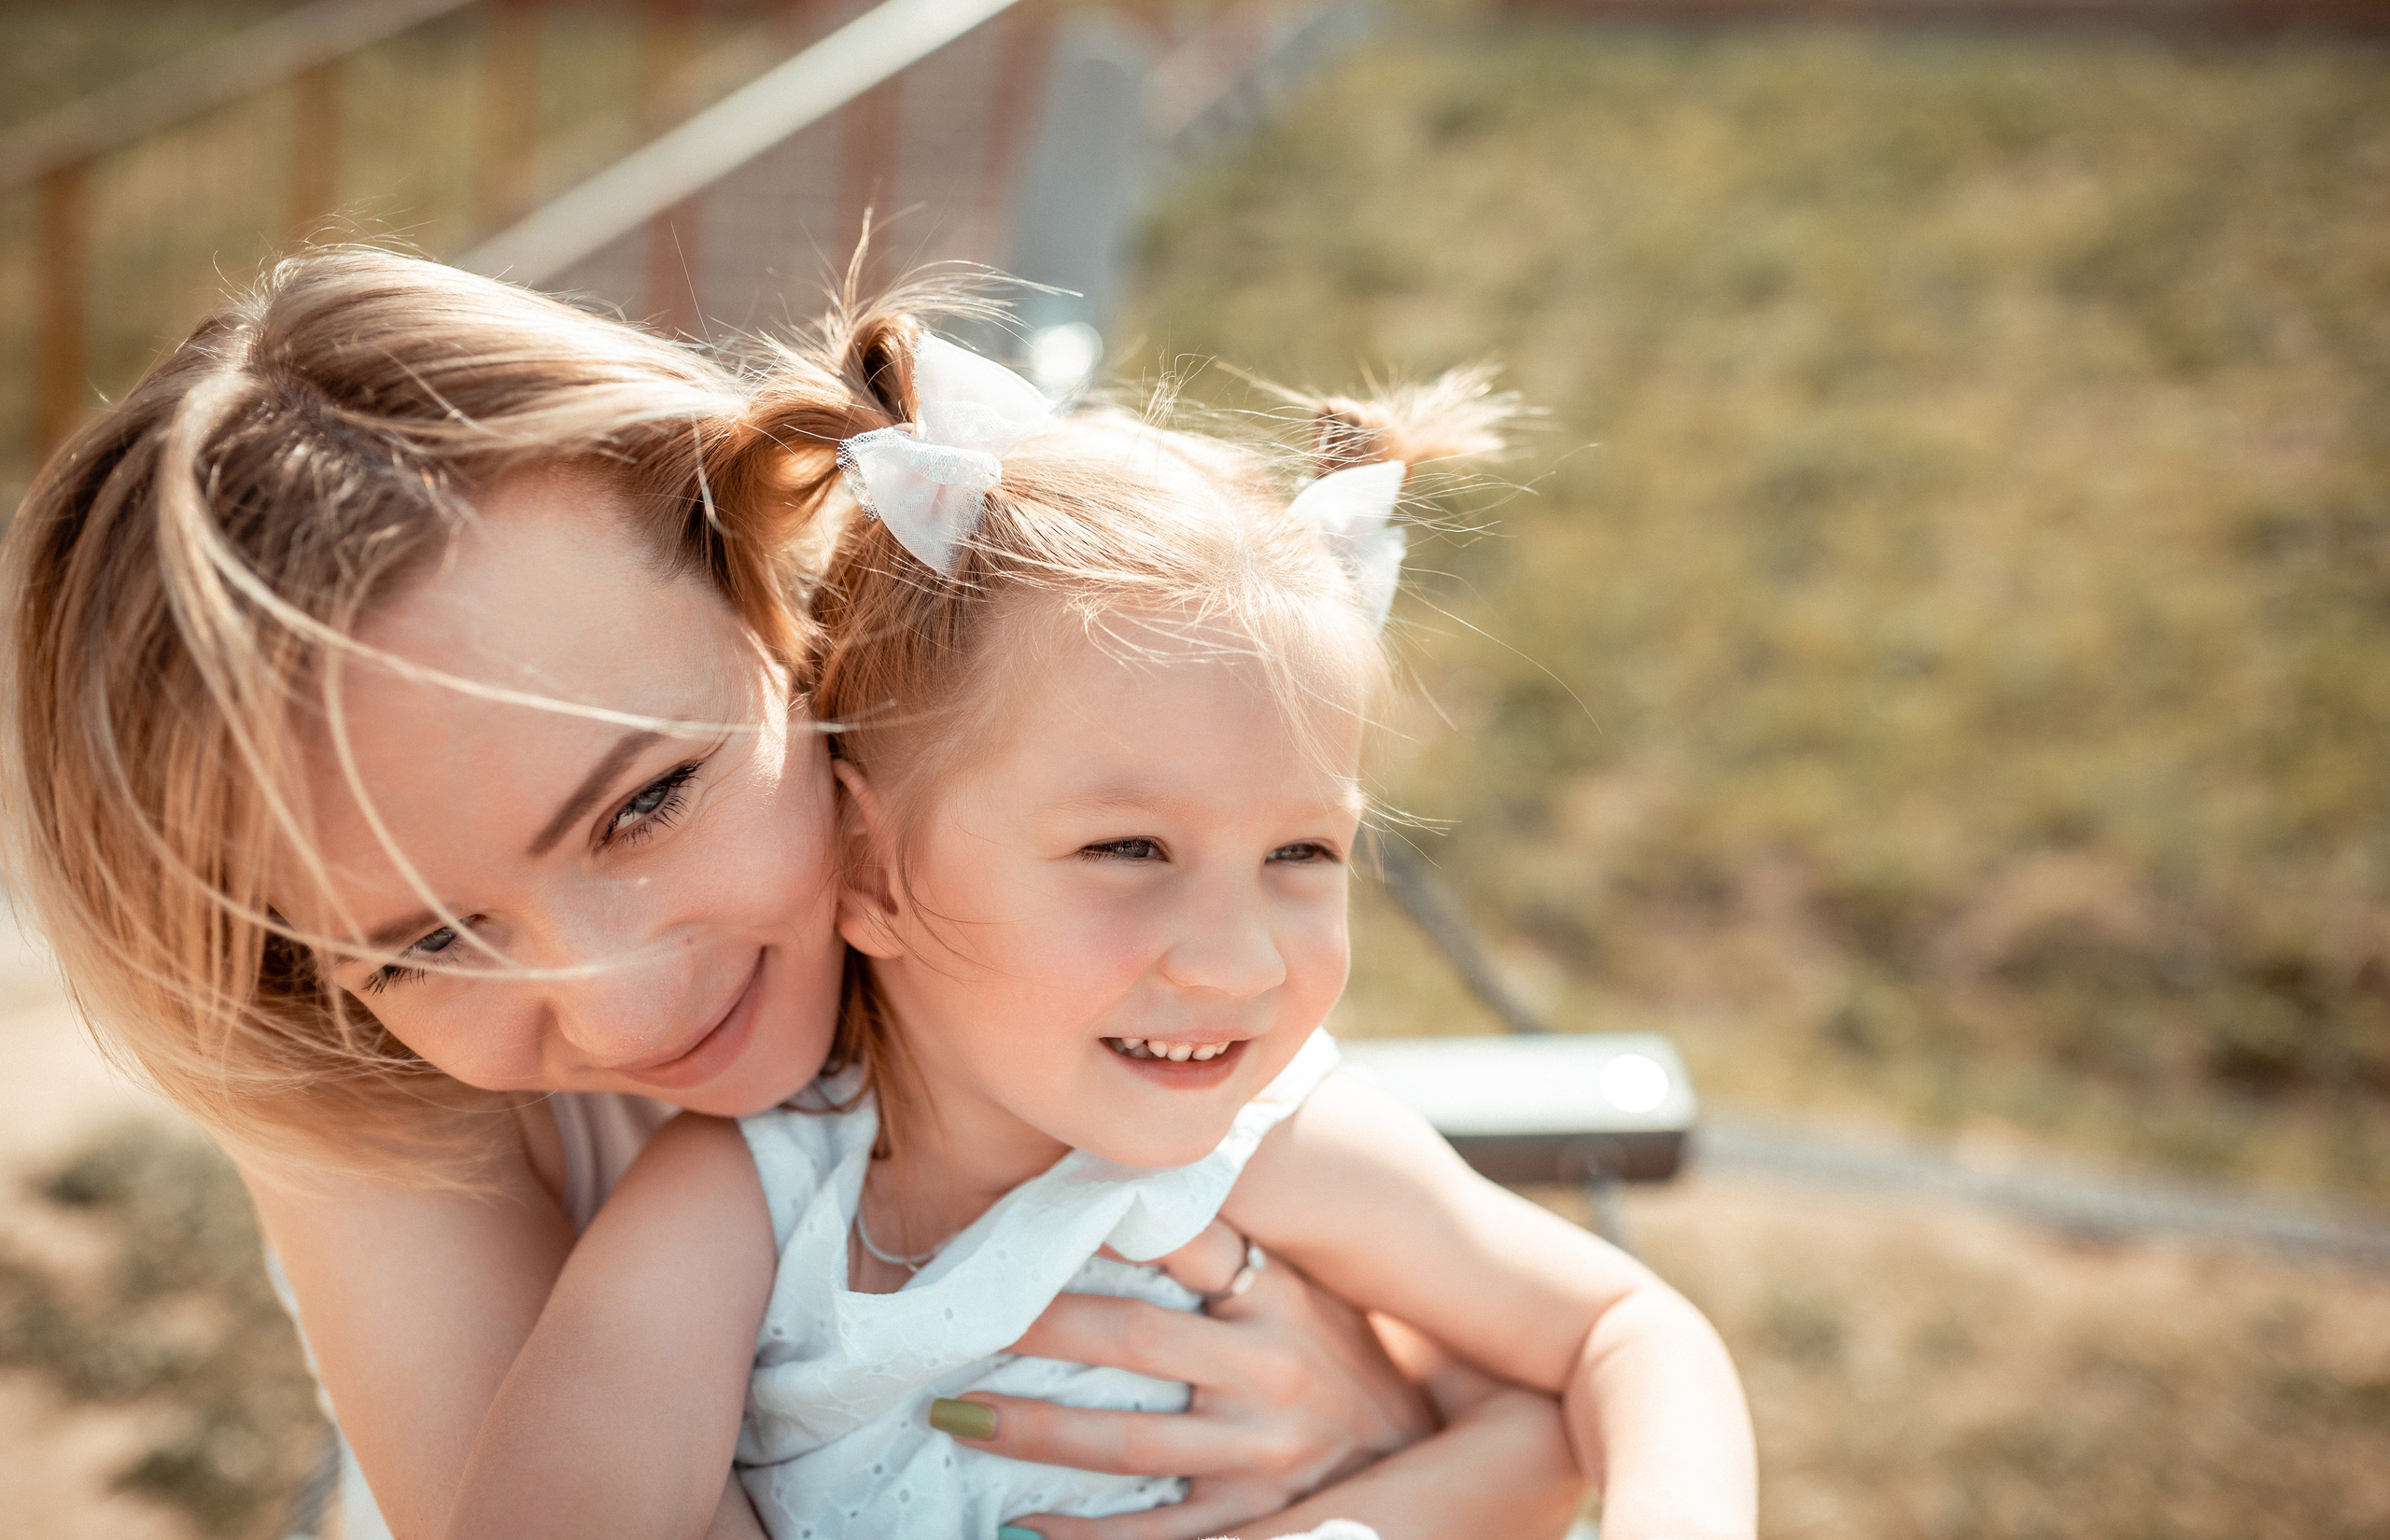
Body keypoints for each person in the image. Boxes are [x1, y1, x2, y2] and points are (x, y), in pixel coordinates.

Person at [0, 247, 1590, 1539]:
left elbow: (1542, 1379)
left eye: (647, 801)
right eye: (425, 941)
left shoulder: (1026, 796)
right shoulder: (378, 1124)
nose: (627, 1002)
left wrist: (1375, 1424)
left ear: (778, 594)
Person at [437, 325, 1759, 1540]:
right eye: (1129, 851)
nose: (1236, 959)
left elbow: (1626, 1335)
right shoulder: (755, 1210)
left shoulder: (1266, 1146)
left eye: (1303, 851)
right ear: (871, 866)